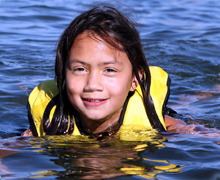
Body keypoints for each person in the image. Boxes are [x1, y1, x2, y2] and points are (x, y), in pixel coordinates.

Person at [22, 5, 189, 137]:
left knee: (186, 102)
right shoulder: (51, 123)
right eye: (80, 69)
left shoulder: (158, 123)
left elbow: (200, 135)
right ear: (63, 74)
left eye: (109, 70)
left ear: (135, 80)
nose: (93, 85)